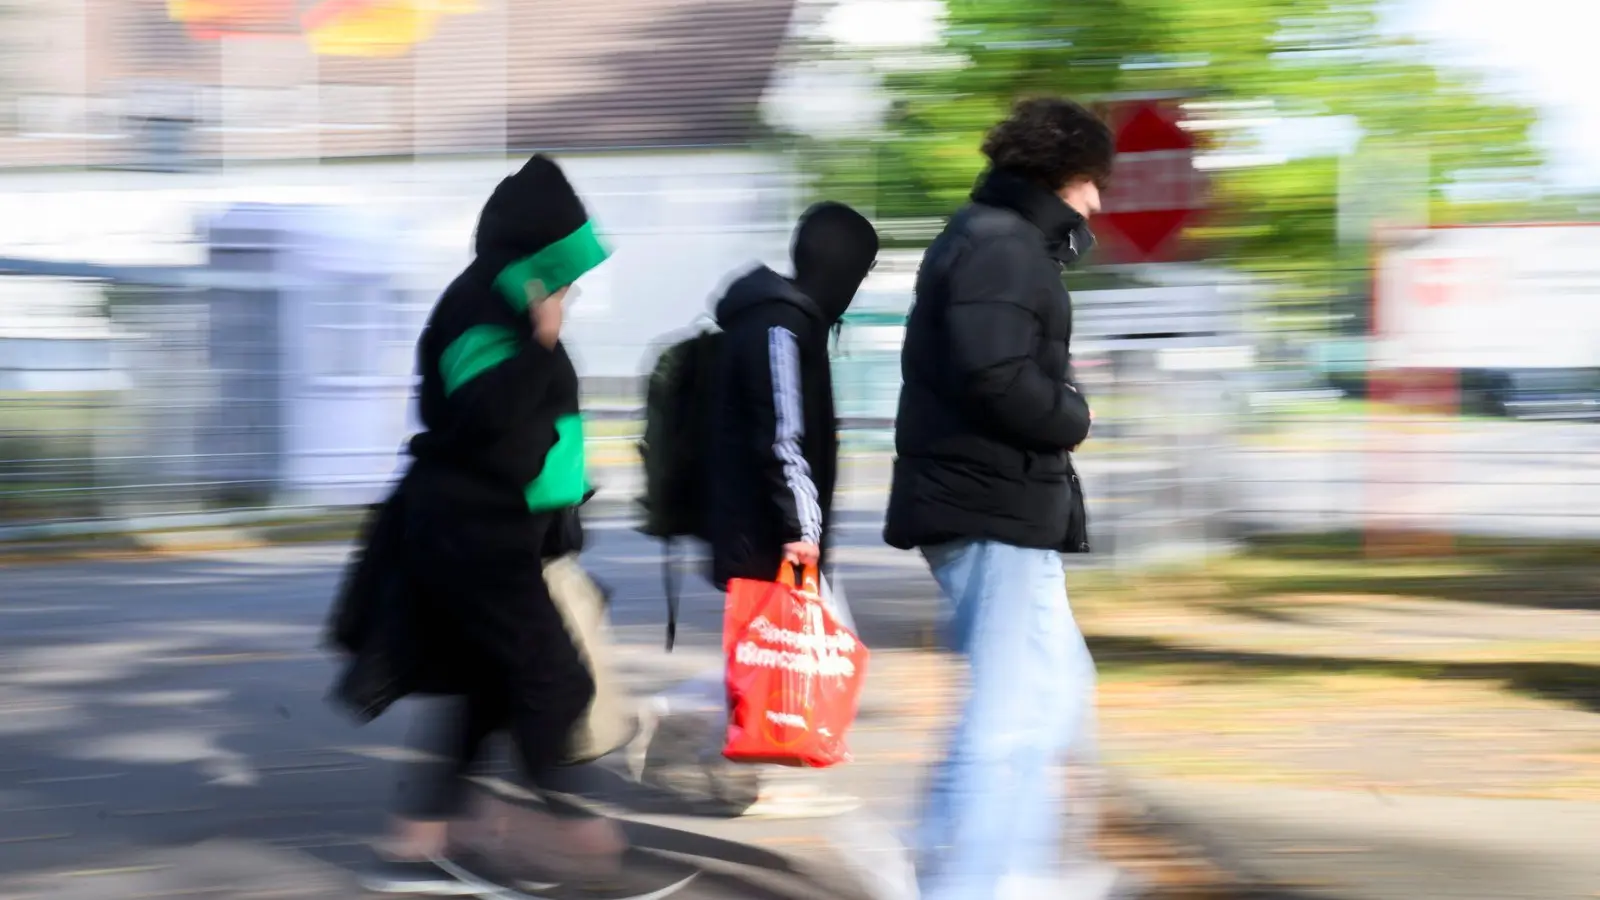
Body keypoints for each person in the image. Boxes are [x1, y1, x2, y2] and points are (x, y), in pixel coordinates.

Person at [330, 154, 621, 894]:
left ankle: (420, 843)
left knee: (488, 687)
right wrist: (543, 345)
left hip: (487, 530)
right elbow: (492, 429)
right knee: (548, 679)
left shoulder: (500, 308)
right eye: (561, 270)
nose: (571, 288)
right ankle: (564, 837)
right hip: (474, 532)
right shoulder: (482, 313)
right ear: (531, 259)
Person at [883, 97, 1115, 898]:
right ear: (1063, 175)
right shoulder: (1001, 247)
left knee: (1056, 689)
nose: (1098, 203)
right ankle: (968, 879)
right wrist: (1075, 415)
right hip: (988, 503)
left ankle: (967, 858)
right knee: (1013, 707)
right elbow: (997, 376)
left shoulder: (1000, 240)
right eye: (1092, 183)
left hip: (999, 502)